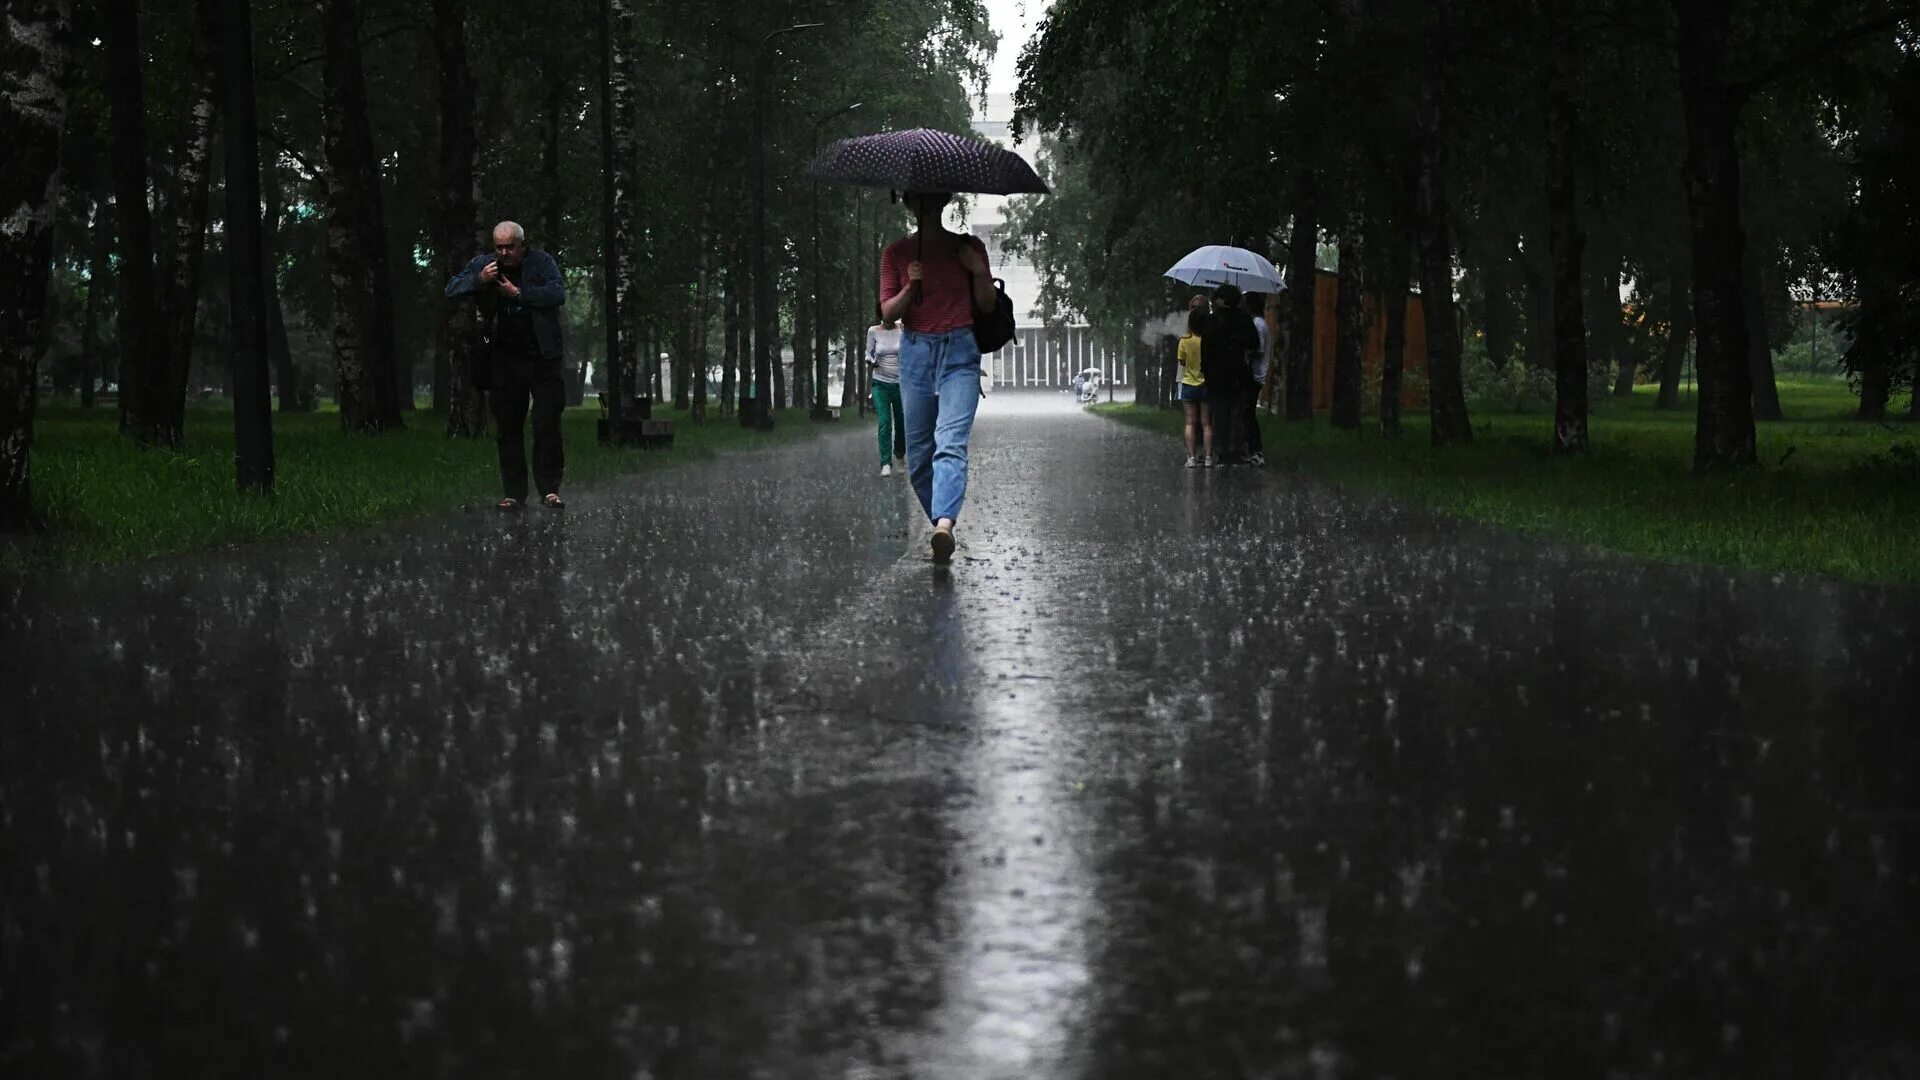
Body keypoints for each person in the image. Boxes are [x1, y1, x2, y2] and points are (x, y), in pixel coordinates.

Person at [879, 190, 996, 566]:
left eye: (933, 198)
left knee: (950, 442)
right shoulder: (896, 253)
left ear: (944, 200)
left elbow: (987, 305)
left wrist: (977, 270)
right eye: (919, 198)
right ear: (911, 203)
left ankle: (944, 524)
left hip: (960, 352)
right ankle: (941, 529)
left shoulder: (969, 246)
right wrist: (911, 286)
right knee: (918, 459)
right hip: (914, 355)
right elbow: (886, 314)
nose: (927, 205)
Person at [445, 221, 569, 510]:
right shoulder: (485, 265)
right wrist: (479, 280)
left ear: (522, 245)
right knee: (508, 426)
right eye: (499, 248)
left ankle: (550, 490)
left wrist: (519, 294)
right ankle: (514, 493)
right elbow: (451, 289)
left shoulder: (541, 262)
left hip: (543, 355)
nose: (504, 253)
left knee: (547, 422)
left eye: (510, 247)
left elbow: (557, 294)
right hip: (504, 356)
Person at [1201, 284, 1258, 466]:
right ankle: (1236, 450)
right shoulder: (1244, 319)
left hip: (1217, 375)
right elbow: (1254, 343)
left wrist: (1207, 372)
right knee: (1237, 412)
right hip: (1239, 373)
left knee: (1220, 414)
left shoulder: (1213, 320)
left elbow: (1205, 350)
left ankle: (1221, 451)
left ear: (1221, 299)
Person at [866, 305, 906, 477]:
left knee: (901, 423)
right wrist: (871, 360)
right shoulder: (873, 331)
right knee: (884, 422)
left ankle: (899, 454)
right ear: (881, 314)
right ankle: (885, 463)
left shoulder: (903, 329)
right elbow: (868, 353)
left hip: (901, 384)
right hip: (880, 383)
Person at [1178, 308, 1212, 467]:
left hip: (1189, 384)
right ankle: (1208, 458)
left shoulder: (1184, 340)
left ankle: (1191, 458)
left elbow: (1182, 362)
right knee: (1206, 423)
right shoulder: (1209, 340)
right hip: (1206, 385)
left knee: (1190, 422)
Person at [1245, 293, 1270, 466]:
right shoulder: (1260, 323)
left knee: (1248, 414)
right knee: (1248, 413)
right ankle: (1253, 449)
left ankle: (1256, 450)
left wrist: (1244, 353)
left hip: (1255, 375)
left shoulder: (1257, 324)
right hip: (1256, 374)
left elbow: (1258, 350)